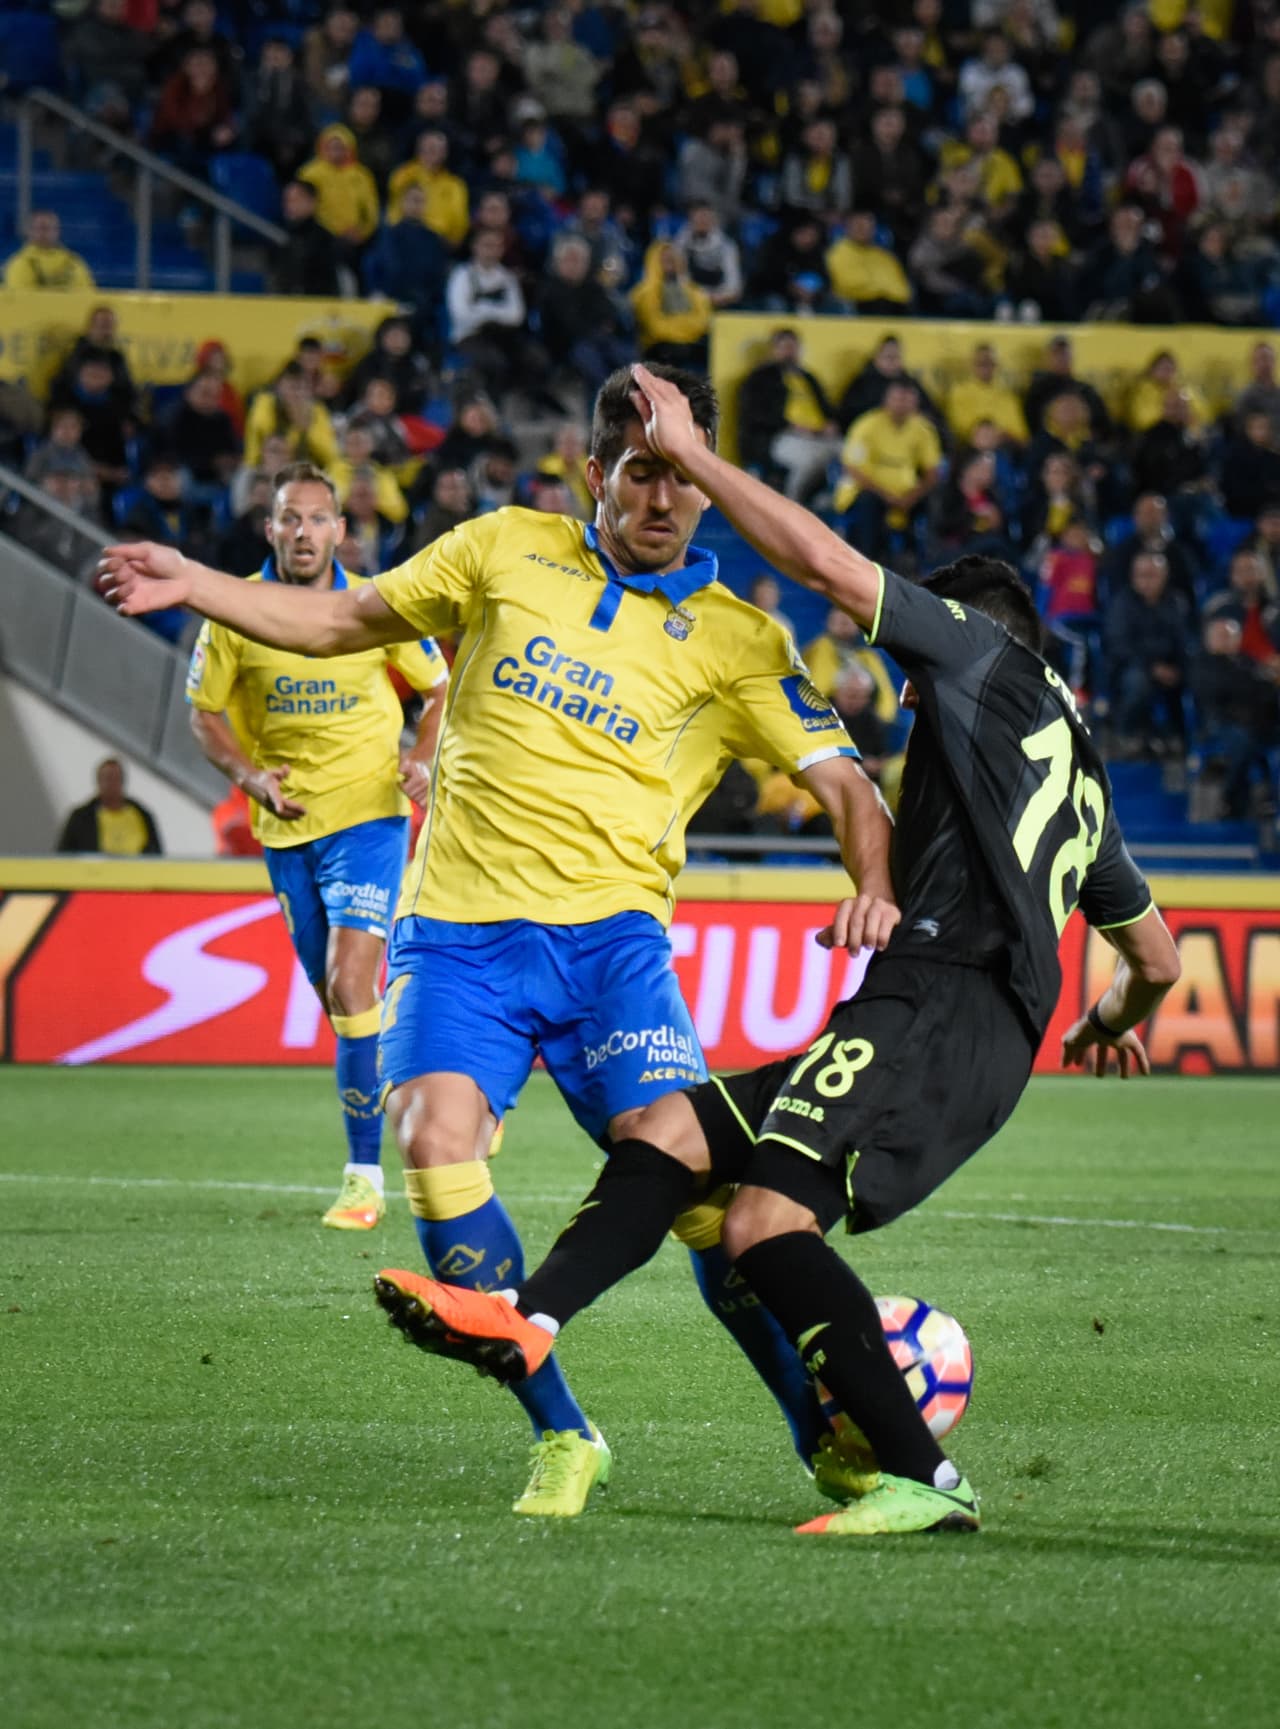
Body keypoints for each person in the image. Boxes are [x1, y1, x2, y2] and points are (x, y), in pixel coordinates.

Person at [375, 363, 1182, 1538]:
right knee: (674, 1130)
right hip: (961, 1014)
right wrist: (1102, 1027)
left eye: (909, 677)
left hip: (938, 1001)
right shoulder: (1079, 772)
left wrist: (696, 456)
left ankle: (916, 1474)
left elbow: (821, 565)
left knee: (761, 1220)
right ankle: (530, 1318)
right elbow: (1152, 958)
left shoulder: (976, 661)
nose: (905, 699)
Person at [100, 363, 895, 1520]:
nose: (662, 498)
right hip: (459, 940)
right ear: (594, 477)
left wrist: (871, 884)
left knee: (707, 1209)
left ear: (710, 492)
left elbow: (845, 787)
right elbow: (339, 619)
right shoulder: (501, 549)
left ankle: (816, 1431)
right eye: (640, 473)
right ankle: (564, 1433)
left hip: (614, 950)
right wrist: (201, 584)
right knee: (431, 1148)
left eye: (682, 476)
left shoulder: (740, 641)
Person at [185, 462, 448, 1232]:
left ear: (341, 529)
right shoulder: (235, 611)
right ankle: (448, 1076)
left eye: (317, 519)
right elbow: (203, 712)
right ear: (269, 528)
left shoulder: (373, 603)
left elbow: (437, 689)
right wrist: (245, 774)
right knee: (346, 1006)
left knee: (348, 979)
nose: (304, 532)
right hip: (285, 826)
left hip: (370, 816)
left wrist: (423, 755)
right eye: (289, 519)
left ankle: (364, 1177)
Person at [58, 758, 162, 855]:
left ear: (122, 781)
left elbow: (157, 855)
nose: (111, 784)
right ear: (98, 782)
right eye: (107, 778)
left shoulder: (142, 815)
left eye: (116, 778)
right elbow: (63, 856)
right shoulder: (81, 818)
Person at [3, 211, 95, 291]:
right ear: (30, 231)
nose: (44, 233)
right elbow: (21, 300)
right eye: (40, 228)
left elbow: (87, 295)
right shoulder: (20, 263)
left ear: (57, 231)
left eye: (49, 228)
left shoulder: (74, 263)